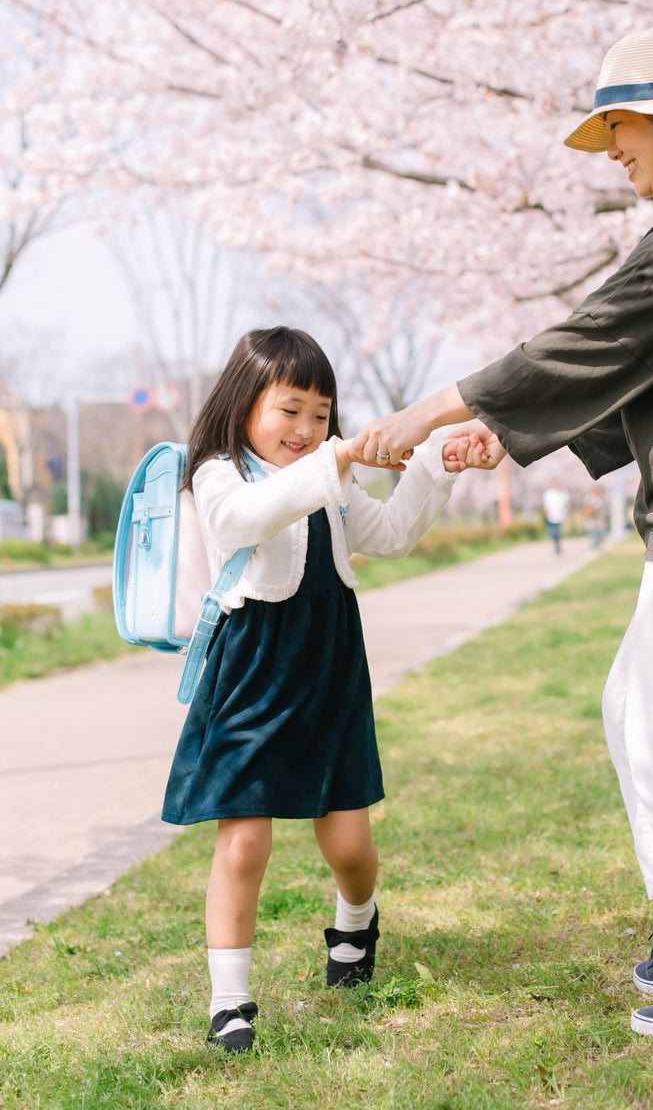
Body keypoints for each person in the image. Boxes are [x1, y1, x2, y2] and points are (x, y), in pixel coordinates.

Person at [352, 25, 653, 1038]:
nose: (609, 148)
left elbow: (589, 341)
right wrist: (502, 442)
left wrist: (429, 415)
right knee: (628, 706)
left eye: (622, 125)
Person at [161, 326, 492, 1053]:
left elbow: (396, 531)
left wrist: (438, 457)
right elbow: (238, 519)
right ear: (245, 404)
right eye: (290, 410)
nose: (308, 429)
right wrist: (334, 459)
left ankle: (355, 922)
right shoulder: (219, 471)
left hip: (332, 666)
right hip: (250, 672)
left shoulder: (330, 477)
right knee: (243, 843)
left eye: (321, 413)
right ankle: (229, 1003)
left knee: (348, 843)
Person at [542, 481, 570, 553]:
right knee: (553, 532)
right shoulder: (548, 494)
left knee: (557, 532)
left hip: (559, 516)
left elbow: (565, 503)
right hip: (550, 516)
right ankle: (556, 544)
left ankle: (557, 545)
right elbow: (546, 504)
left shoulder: (563, 494)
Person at [582, 485, 607, 549]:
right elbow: (585, 509)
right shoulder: (588, 498)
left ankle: (597, 546)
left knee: (600, 537)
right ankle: (593, 548)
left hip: (600, 521)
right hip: (591, 521)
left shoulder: (602, 499)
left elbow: (604, 510)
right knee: (592, 536)